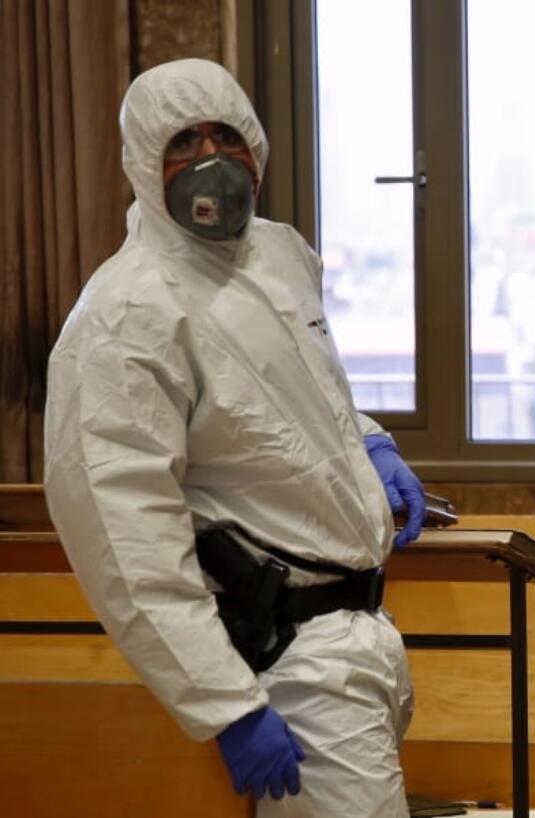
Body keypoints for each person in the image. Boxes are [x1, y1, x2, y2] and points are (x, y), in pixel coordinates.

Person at [43, 58, 426, 817]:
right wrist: (227, 705)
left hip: (364, 637)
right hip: (289, 658)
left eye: (227, 135)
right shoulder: (126, 316)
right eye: (183, 141)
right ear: (143, 161)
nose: (210, 160)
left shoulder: (279, 255)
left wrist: (371, 444)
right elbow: (123, 533)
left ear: (257, 144)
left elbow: (305, 394)